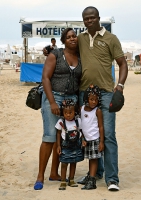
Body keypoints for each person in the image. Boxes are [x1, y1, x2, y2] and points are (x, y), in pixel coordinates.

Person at [77, 6, 128, 191]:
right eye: (86, 18)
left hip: (106, 93)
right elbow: (67, 51)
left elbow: (122, 64)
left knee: (108, 136)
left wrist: (120, 87)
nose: (89, 21)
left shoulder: (111, 39)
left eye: (92, 18)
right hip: (86, 94)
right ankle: (96, 173)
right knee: (91, 135)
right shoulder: (81, 38)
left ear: (99, 18)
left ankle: (112, 178)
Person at [34, 28, 82, 190]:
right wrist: (53, 102)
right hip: (53, 96)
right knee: (49, 136)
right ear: (63, 41)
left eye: (74, 36)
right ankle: (40, 176)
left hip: (71, 100)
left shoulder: (80, 57)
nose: (72, 39)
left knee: (63, 137)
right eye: (68, 37)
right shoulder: (55, 54)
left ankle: (54, 173)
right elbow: (45, 78)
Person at [55, 99, 84, 190]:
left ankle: (71, 179)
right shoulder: (61, 122)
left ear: (74, 112)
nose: (68, 115)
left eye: (70, 112)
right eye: (66, 113)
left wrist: (83, 140)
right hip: (65, 146)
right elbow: (58, 134)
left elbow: (81, 131)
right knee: (64, 163)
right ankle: (63, 180)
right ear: (63, 113)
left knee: (73, 162)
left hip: (76, 145)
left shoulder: (78, 121)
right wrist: (58, 145)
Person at [80, 84, 104, 190]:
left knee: (94, 159)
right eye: (91, 99)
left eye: (96, 100)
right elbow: (80, 125)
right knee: (90, 159)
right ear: (86, 99)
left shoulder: (97, 111)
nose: (94, 102)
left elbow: (101, 126)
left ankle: (92, 180)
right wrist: (82, 138)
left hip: (95, 139)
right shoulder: (82, 109)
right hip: (86, 139)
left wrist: (101, 142)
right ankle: (90, 176)